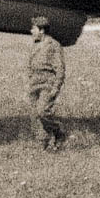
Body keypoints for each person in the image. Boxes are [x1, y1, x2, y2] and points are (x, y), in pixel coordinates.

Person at [27, 15, 65, 150]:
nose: (31, 31)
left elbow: (60, 68)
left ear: (41, 30)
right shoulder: (35, 45)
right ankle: (43, 143)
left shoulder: (53, 45)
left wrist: (56, 86)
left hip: (47, 83)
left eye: (34, 29)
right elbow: (31, 64)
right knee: (35, 116)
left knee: (42, 112)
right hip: (34, 83)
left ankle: (58, 132)